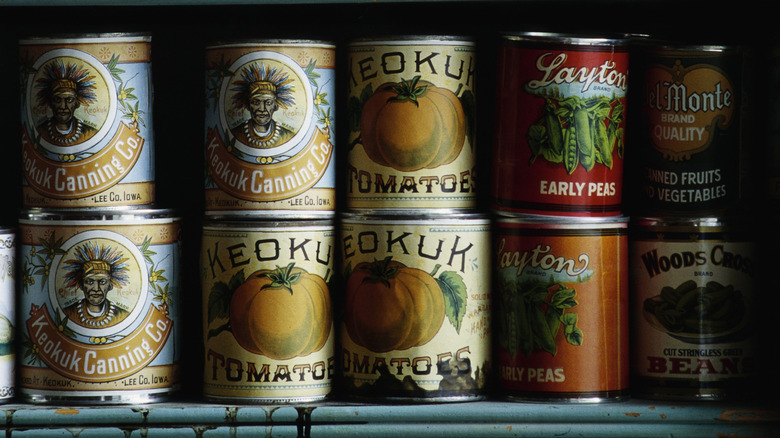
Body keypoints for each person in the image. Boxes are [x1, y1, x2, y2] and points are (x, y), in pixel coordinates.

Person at [62, 243, 131, 329]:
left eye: (102, 282)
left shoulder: (122, 315)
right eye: (90, 282)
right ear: (81, 285)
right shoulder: (68, 313)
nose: (96, 288)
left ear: (110, 286)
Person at [230, 63, 296, 149]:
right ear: (248, 106)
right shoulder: (236, 134)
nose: (262, 109)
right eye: (256, 102)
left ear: (276, 106)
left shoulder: (287, 136)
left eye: (268, 103)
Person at [35, 60, 98, 146]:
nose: (63, 106)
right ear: (50, 103)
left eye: (69, 100)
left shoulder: (90, 133)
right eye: (57, 99)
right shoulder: (40, 131)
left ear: (77, 103)